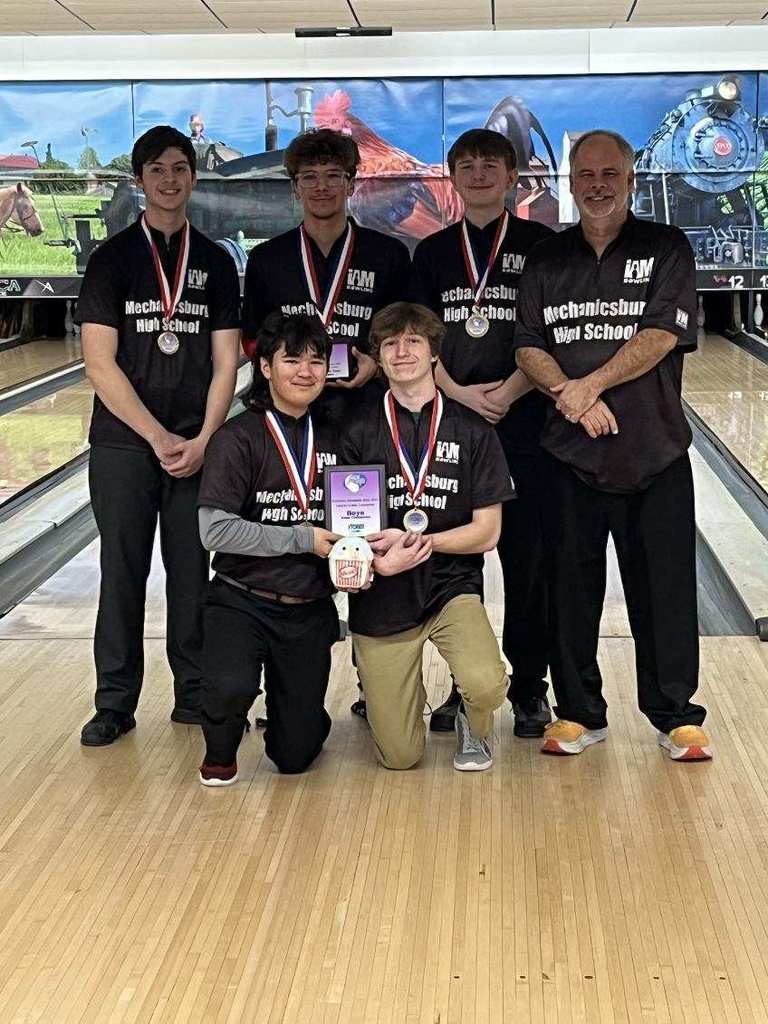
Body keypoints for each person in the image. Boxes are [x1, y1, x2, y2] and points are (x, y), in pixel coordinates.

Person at [514, 129, 712, 761]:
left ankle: (675, 713)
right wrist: (567, 395)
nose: (597, 184)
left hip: (653, 452)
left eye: (609, 173)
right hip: (570, 457)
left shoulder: (665, 247)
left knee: (666, 590)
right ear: (572, 182)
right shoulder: (548, 258)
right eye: (586, 174)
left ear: (630, 178)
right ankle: (578, 711)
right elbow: (527, 344)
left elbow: (661, 334)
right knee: (569, 590)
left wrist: (588, 386)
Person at [78, 124, 241, 747]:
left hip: (196, 445)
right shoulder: (113, 259)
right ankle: (115, 703)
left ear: (193, 177)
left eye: (180, 168)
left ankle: (192, 694)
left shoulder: (216, 260)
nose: (170, 179)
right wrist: (155, 436)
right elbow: (99, 362)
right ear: (140, 180)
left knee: (190, 571)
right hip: (124, 445)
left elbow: (227, 361)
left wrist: (203, 438)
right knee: (121, 572)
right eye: (157, 170)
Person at [243, 127, 412, 718]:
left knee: (368, 549)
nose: (321, 187)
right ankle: (287, 684)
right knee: (293, 549)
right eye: (308, 178)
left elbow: (403, 335)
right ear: (294, 188)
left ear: (351, 182)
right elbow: (250, 342)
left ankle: (375, 685)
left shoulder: (388, 256)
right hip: (288, 430)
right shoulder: (267, 261)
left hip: (365, 425)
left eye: (332, 176)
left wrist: (374, 362)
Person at [410, 128, 554, 738]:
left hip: (528, 421)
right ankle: (462, 685)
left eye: (489, 164)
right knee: (453, 565)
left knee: (529, 563)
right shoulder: (432, 252)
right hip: (454, 424)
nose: (477, 173)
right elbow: (419, 338)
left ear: (512, 172)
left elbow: (551, 329)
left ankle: (528, 689)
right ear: (453, 175)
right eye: (464, 164)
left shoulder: (543, 245)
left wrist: (512, 390)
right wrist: (461, 394)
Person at [341, 302, 514, 771]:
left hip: (449, 586)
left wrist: (423, 544)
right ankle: (398, 690)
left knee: (485, 683)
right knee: (400, 757)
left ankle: (472, 726)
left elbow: (487, 533)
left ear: (435, 353)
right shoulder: (356, 430)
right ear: (378, 356)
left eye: (414, 341)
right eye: (390, 344)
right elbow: (349, 532)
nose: (402, 352)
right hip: (383, 593)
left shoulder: (473, 430)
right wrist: (379, 560)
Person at [196, 313, 343, 784]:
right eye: (292, 359)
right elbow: (214, 532)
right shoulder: (237, 439)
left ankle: (292, 714)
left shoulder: (338, 438)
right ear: (265, 368)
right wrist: (301, 537)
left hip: (308, 605)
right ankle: (223, 739)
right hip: (241, 600)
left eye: (316, 361)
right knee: (229, 685)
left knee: (294, 756)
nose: (305, 371)